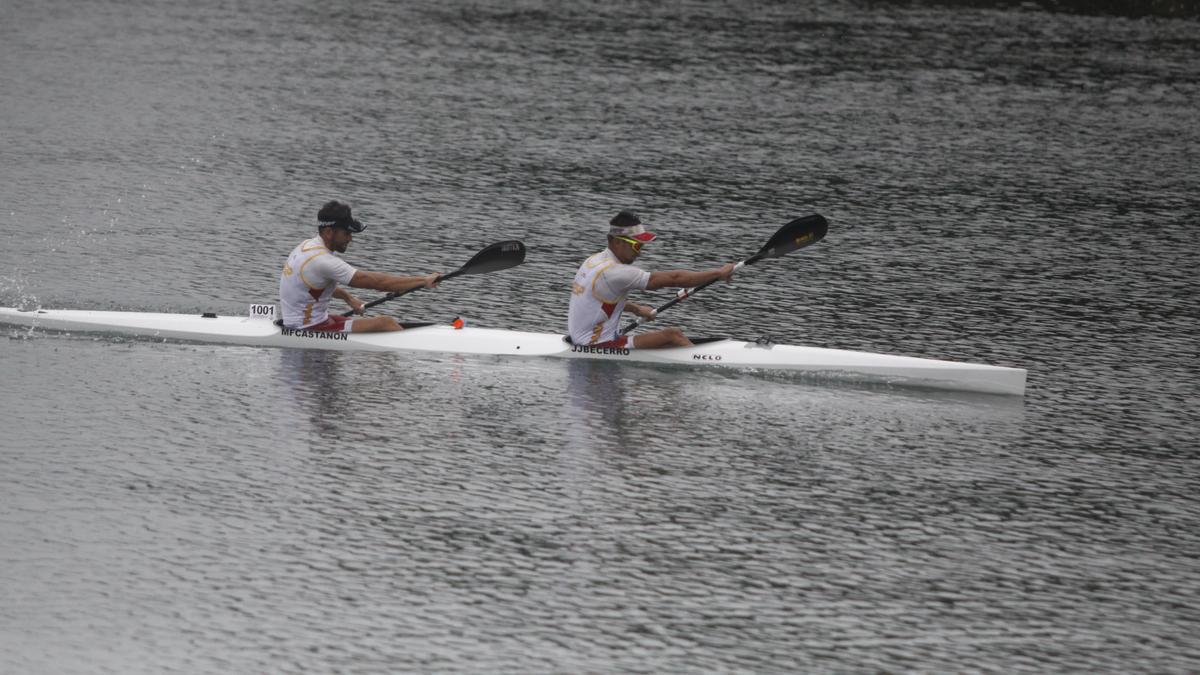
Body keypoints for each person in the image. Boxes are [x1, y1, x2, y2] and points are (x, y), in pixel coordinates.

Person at [568, 210, 736, 349]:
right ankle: (704, 367)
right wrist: (718, 273)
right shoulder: (616, 272)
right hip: (596, 345)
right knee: (672, 335)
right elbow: (674, 279)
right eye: (636, 245)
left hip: (582, 338)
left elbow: (593, 303)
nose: (640, 252)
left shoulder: (592, 261)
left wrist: (636, 308)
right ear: (618, 242)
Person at [279, 200, 440, 332]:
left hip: (309, 321)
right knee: (386, 323)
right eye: (346, 233)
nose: (350, 239)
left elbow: (314, 287)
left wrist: (349, 299)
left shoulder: (306, 246)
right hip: (308, 328)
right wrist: (423, 280)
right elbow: (378, 283)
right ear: (329, 232)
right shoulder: (322, 261)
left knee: (362, 323)